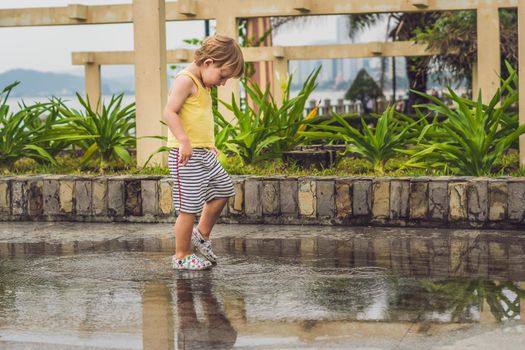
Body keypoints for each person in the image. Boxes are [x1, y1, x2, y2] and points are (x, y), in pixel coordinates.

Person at [164, 35, 244, 270]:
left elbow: (197, 117)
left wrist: (208, 142)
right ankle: (181, 255)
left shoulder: (202, 83)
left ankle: (201, 235)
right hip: (185, 155)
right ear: (208, 63)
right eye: (222, 76)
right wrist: (184, 140)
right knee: (188, 207)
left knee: (223, 190)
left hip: (202, 152)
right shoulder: (185, 80)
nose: (223, 83)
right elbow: (169, 112)